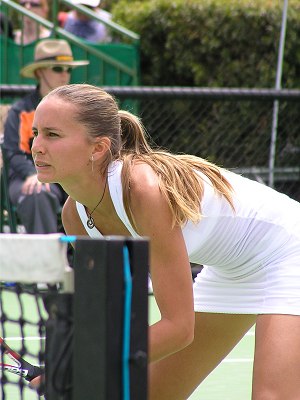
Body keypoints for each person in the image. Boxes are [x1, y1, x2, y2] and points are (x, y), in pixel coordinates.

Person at [31, 83, 300, 399]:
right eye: (36, 132)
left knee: (272, 396)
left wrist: (86, 364)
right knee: (154, 394)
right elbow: (113, 315)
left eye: (52, 135)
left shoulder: (144, 190)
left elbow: (178, 328)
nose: (36, 146)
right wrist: (72, 364)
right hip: (231, 269)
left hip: (288, 247)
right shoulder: (74, 217)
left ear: (98, 147)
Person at [3, 40, 89, 234]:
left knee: (95, 191)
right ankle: (47, 261)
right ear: (39, 72)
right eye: (58, 68)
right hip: (30, 177)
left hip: (69, 175)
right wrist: (33, 174)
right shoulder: (20, 111)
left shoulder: (77, 112)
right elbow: (13, 153)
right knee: (38, 193)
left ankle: (88, 260)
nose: (65, 74)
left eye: (68, 69)